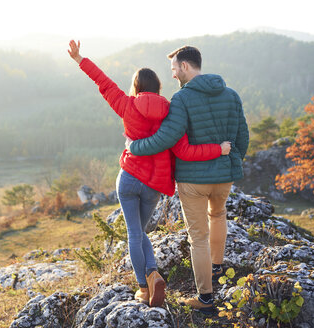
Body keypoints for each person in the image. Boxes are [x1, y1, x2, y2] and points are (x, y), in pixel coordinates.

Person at [68, 40, 232, 308]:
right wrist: (216, 149)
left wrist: (79, 59)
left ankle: (145, 286)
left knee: (135, 233)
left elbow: (104, 82)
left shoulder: (126, 105)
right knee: (140, 230)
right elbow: (182, 146)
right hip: (154, 185)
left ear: (136, 87)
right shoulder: (171, 110)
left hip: (130, 177)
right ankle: (152, 274)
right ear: (158, 88)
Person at [127, 45, 249, 314]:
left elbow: (167, 138)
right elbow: (243, 137)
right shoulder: (231, 95)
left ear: (184, 66)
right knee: (218, 215)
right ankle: (216, 268)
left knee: (198, 238)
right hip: (224, 176)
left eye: (173, 69)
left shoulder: (181, 99)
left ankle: (205, 299)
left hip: (193, 181)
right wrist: (232, 161)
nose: (172, 76)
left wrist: (134, 147)